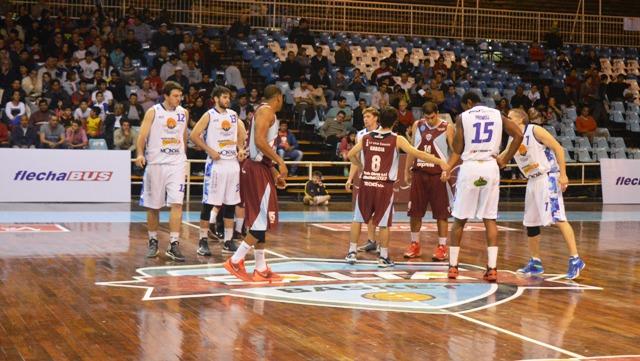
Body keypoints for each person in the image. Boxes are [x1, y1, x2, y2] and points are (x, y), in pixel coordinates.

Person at [344, 107, 450, 267]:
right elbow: (418, 153)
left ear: (379, 120)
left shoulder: (365, 137)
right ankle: (383, 257)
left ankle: (351, 252)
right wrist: (440, 161)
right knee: (384, 223)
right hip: (384, 186)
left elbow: (351, 154)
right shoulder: (396, 139)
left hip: (367, 183)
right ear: (395, 122)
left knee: (357, 219)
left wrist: (361, 167)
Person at [446, 92, 523, 282]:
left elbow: (457, 148)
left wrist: (448, 164)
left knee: (459, 219)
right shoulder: (498, 115)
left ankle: (453, 267)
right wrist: (505, 158)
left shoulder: (463, 117)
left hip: (470, 167)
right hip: (490, 167)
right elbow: (519, 135)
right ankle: (492, 268)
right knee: (490, 219)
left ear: (469, 103)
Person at [504, 109, 585, 280]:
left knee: (558, 217)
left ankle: (575, 259)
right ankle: (535, 262)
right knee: (531, 222)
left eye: (510, 118)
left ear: (520, 119)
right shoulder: (512, 138)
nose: (507, 120)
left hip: (547, 177)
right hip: (532, 180)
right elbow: (502, 159)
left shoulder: (534, 130)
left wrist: (563, 174)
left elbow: (558, 148)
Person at [224, 85, 287, 282]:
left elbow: (259, 149)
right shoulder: (267, 111)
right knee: (260, 220)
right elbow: (259, 142)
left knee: (262, 220)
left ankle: (260, 267)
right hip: (255, 169)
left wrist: (274, 171)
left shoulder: (263, 111)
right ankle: (235, 260)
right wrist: (280, 161)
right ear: (277, 98)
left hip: (259, 168)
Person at [135, 81, 189, 262]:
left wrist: (184, 156)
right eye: (175, 95)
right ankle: (153, 241)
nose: (178, 99)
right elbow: (142, 136)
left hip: (177, 164)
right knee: (153, 206)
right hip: (156, 163)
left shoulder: (184, 113)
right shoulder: (153, 112)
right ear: (165, 96)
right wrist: (140, 153)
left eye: (180, 95)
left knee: (177, 203)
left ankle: (174, 244)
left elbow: (183, 136)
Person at [190, 86, 247, 256]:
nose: (227, 100)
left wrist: (240, 148)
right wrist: (209, 150)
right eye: (224, 97)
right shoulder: (209, 115)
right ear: (215, 99)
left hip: (232, 164)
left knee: (230, 204)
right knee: (208, 204)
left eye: (228, 97)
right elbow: (194, 135)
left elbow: (241, 133)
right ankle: (203, 241)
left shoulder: (233, 115)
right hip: (216, 165)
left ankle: (228, 241)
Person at [403, 102, 456, 260]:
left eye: (432, 118)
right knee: (414, 212)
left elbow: (455, 152)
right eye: (427, 118)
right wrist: (407, 170)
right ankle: (415, 244)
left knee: (441, 214)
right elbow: (412, 149)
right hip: (419, 173)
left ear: (437, 113)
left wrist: (448, 169)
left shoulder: (447, 127)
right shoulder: (417, 125)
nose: (429, 121)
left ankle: (442, 246)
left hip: (438, 175)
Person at [346, 107, 381, 253]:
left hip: (381, 179)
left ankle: (382, 247)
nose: (365, 119)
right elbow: (355, 158)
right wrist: (350, 179)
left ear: (376, 118)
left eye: (368, 116)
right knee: (363, 213)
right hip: (366, 179)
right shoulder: (360, 135)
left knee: (380, 214)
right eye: (364, 116)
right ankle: (371, 242)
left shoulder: (385, 133)